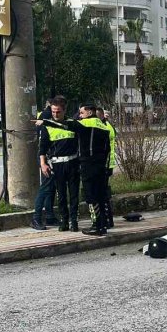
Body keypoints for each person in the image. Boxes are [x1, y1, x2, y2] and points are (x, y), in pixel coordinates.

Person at [37, 102, 112, 236]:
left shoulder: (87, 124)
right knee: (100, 195)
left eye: (82, 113)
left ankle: (96, 225)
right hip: (101, 165)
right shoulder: (104, 126)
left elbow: (67, 125)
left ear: (90, 112)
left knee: (91, 196)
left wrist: (45, 123)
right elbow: (108, 148)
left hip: (88, 165)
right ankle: (102, 224)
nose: (79, 116)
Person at [39, 97, 80, 232]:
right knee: (61, 195)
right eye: (53, 111)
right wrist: (43, 164)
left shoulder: (72, 123)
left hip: (73, 162)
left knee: (74, 194)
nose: (55, 114)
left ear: (64, 110)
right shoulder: (47, 126)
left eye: (58, 112)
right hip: (57, 164)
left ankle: (74, 221)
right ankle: (64, 221)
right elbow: (43, 147)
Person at [31, 97, 58, 230]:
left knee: (50, 189)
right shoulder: (48, 116)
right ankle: (36, 217)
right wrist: (43, 161)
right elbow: (44, 142)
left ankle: (49, 216)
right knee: (46, 188)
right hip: (48, 158)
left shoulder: (45, 116)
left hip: (50, 157)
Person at [97, 107, 116, 229]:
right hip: (107, 164)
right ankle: (107, 220)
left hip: (104, 164)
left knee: (102, 194)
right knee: (103, 193)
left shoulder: (103, 127)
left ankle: (106, 220)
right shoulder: (107, 124)